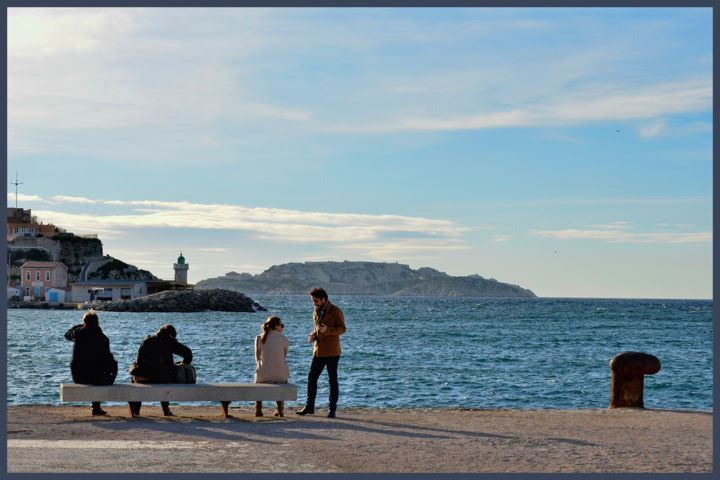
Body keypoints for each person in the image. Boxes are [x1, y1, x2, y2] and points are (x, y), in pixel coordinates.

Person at [296, 287, 346, 418]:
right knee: (312, 377)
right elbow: (317, 329)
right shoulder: (315, 311)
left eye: (316, 301)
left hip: (332, 351)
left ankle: (332, 409)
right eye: (313, 301)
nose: (314, 304)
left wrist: (328, 330)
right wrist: (313, 335)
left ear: (324, 299)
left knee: (332, 380)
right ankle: (309, 406)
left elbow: (342, 329)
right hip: (318, 351)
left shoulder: (335, 311)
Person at [128, 324, 193, 416]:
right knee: (165, 375)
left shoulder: (147, 340)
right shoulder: (170, 341)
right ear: (171, 334)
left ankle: (136, 409)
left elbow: (139, 361)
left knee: (135, 380)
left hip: (144, 377)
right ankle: (165, 409)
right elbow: (188, 353)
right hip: (164, 377)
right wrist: (182, 364)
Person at [64, 311, 118, 416]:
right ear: (97, 323)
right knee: (102, 369)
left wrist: (80, 326)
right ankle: (96, 407)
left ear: (84, 323)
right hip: (97, 378)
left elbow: (67, 335)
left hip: (78, 376)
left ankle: (96, 407)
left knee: (94, 369)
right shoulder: (103, 339)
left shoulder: (78, 334)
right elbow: (107, 360)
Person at [254, 316, 290, 417]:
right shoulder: (284, 339)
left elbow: (257, 358)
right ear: (277, 326)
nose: (282, 328)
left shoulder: (259, 338)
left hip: (263, 376)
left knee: (259, 375)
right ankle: (280, 409)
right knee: (280, 373)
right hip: (280, 376)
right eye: (282, 325)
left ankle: (258, 409)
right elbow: (284, 356)